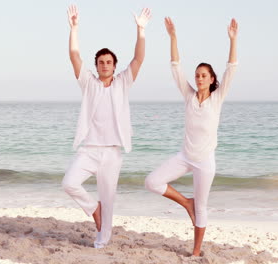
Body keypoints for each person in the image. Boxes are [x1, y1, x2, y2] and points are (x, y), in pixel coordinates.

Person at [145, 17, 238, 256]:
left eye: (203, 75)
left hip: (205, 161)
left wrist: (233, 40)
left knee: (203, 207)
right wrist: (173, 36)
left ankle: (196, 252)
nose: (198, 78)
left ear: (212, 79)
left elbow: (231, 69)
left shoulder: (217, 99)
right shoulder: (189, 96)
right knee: (152, 182)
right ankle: (186, 203)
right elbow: (176, 66)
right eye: (197, 75)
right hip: (185, 156)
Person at [61, 5, 151, 248]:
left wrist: (140, 30)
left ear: (114, 65)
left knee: (109, 200)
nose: (104, 65)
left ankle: (102, 240)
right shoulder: (89, 84)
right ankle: (93, 208)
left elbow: (139, 59)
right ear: (96, 65)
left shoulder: (123, 83)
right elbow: (74, 56)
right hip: (89, 149)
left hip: (112, 151)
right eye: (100, 62)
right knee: (69, 183)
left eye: (108, 62)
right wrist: (74, 28)